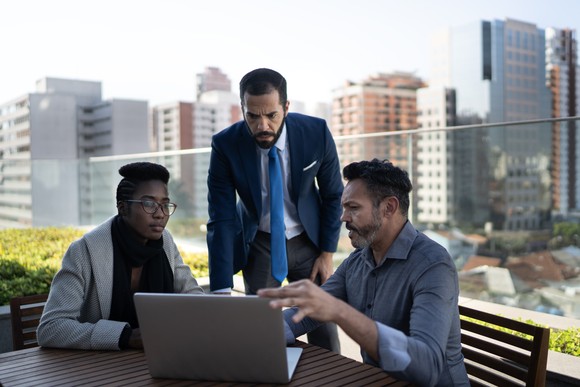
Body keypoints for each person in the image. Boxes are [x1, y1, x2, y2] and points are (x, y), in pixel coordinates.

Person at [258, 159, 470, 386]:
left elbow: (426, 367)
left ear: (389, 207)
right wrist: (256, 333)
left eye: (354, 208)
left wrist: (339, 311)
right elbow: (308, 312)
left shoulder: (433, 265)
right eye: (344, 208)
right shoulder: (358, 261)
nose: (343, 218)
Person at [206, 68, 343, 352]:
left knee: (324, 331)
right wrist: (220, 289)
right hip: (260, 243)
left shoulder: (316, 133)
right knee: (261, 331)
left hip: (309, 242)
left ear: (286, 107)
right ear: (242, 108)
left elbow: (333, 195)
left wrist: (327, 254)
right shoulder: (225, 145)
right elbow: (221, 218)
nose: (262, 125)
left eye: (271, 115)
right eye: (253, 116)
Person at [38, 162, 203, 350]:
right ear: (123, 208)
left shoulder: (165, 243)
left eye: (165, 205)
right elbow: (51, 327)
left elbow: (194, 298)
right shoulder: (84, 251)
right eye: (149, 204)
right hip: (99, 369)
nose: (160, 214)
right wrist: (125, 336)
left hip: (158, 357)